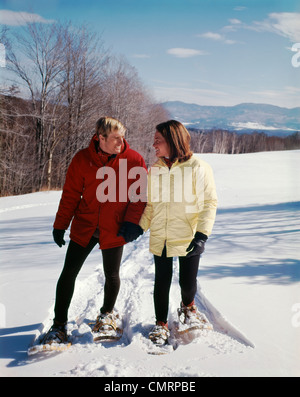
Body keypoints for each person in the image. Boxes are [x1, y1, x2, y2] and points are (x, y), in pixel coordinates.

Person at [42, 117, 146, 344]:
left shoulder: (134, 160)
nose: (122, 141)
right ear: (101, 138)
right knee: (69, 273)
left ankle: (107, 314)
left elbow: (138, 198)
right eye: (116, 138)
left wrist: (132, 223)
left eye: (123, 136)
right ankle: (58, 325)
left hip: (115, 227)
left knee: (112, 274)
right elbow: (70, 195)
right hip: (85, 226)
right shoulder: (82, 159)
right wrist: (60, 225)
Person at [139, 120, 217, 345]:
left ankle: (188, 307)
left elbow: (209, 202)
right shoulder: (155, 169)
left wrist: (202, 235)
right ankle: (161, 323)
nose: (154, 145)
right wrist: (140, 226)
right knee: (161, 281)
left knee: (187, 282)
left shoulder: (198, 167)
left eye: (158, 141)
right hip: (161, 235)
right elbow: (151, 205)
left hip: (188, 235)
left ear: (173, 141)